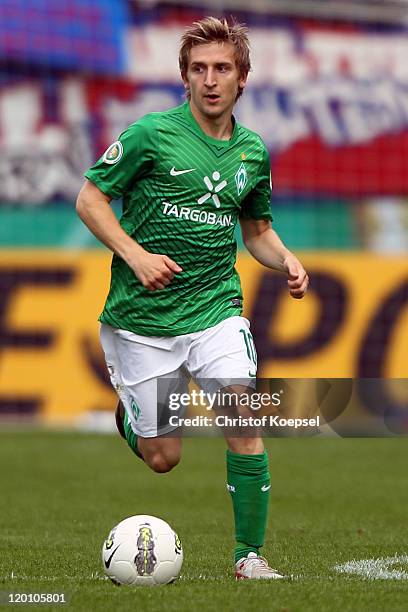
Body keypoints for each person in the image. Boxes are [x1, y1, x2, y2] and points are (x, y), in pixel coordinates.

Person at [76, 16, 308, 580]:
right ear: (184, 78)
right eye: (199, 69)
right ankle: (133, 420)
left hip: (215, 309)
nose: (210, 79)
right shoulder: (150, 135)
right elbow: (90, 199)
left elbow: (255, 233)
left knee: (243, 417)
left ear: (242, 78)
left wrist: (287, 259)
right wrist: (135, 255)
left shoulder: (253, 152)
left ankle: (248, 557)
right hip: (143, 318)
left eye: (222, 68)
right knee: (163, 459)